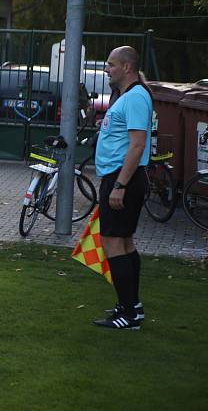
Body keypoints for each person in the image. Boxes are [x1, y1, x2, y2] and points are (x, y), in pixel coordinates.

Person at [91, 46, 152, 331]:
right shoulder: (128, 96)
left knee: (113, 242)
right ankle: (131, 306)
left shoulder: (137, 96)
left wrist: (119, 186)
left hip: (123, 178)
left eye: (111, 65)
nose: (107, 69)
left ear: (127, 67)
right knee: (124, 242)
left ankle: (128, 314)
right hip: (118, 176)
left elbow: (137, 145)